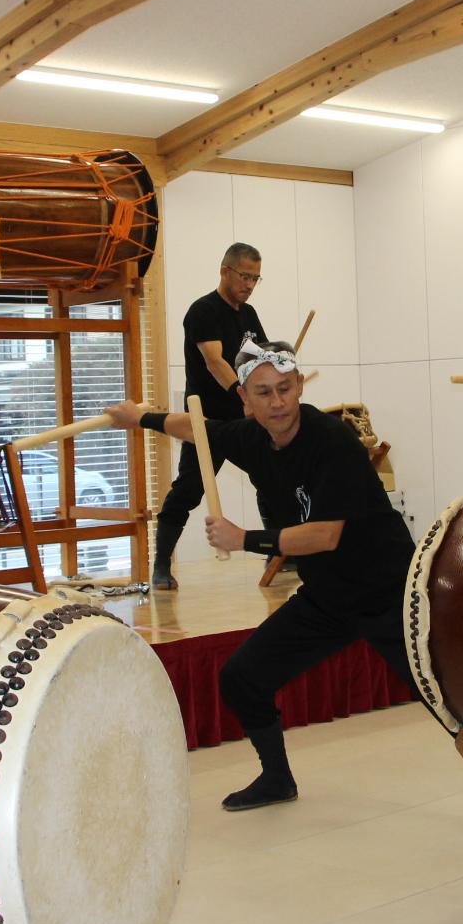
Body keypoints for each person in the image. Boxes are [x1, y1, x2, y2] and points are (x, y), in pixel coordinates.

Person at [107, 337, 414, 811]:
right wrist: (140, 417)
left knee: (448, 702)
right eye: (265, 392)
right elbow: (197, 428)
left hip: (388, 591)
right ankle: (277, 779)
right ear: (246, 401)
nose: (278, 402)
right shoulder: (253, 437)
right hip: (329, 598)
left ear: (299, 386)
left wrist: (243, 538)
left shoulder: (333, 441)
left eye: (286, 388)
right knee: (242, 677)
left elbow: (324, 536)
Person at [151, 243, 266, 590]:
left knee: (273, 475)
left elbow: (258, 357)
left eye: (256, 278)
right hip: (207, 423)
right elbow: (215, 360)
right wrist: (242, 393)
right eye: (245, 276)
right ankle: (160, 566)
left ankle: (281, 554)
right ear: (225, 271)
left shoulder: (249, 315)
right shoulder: (202, 311)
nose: (249, 284)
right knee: (188, 491)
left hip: (244, 419)